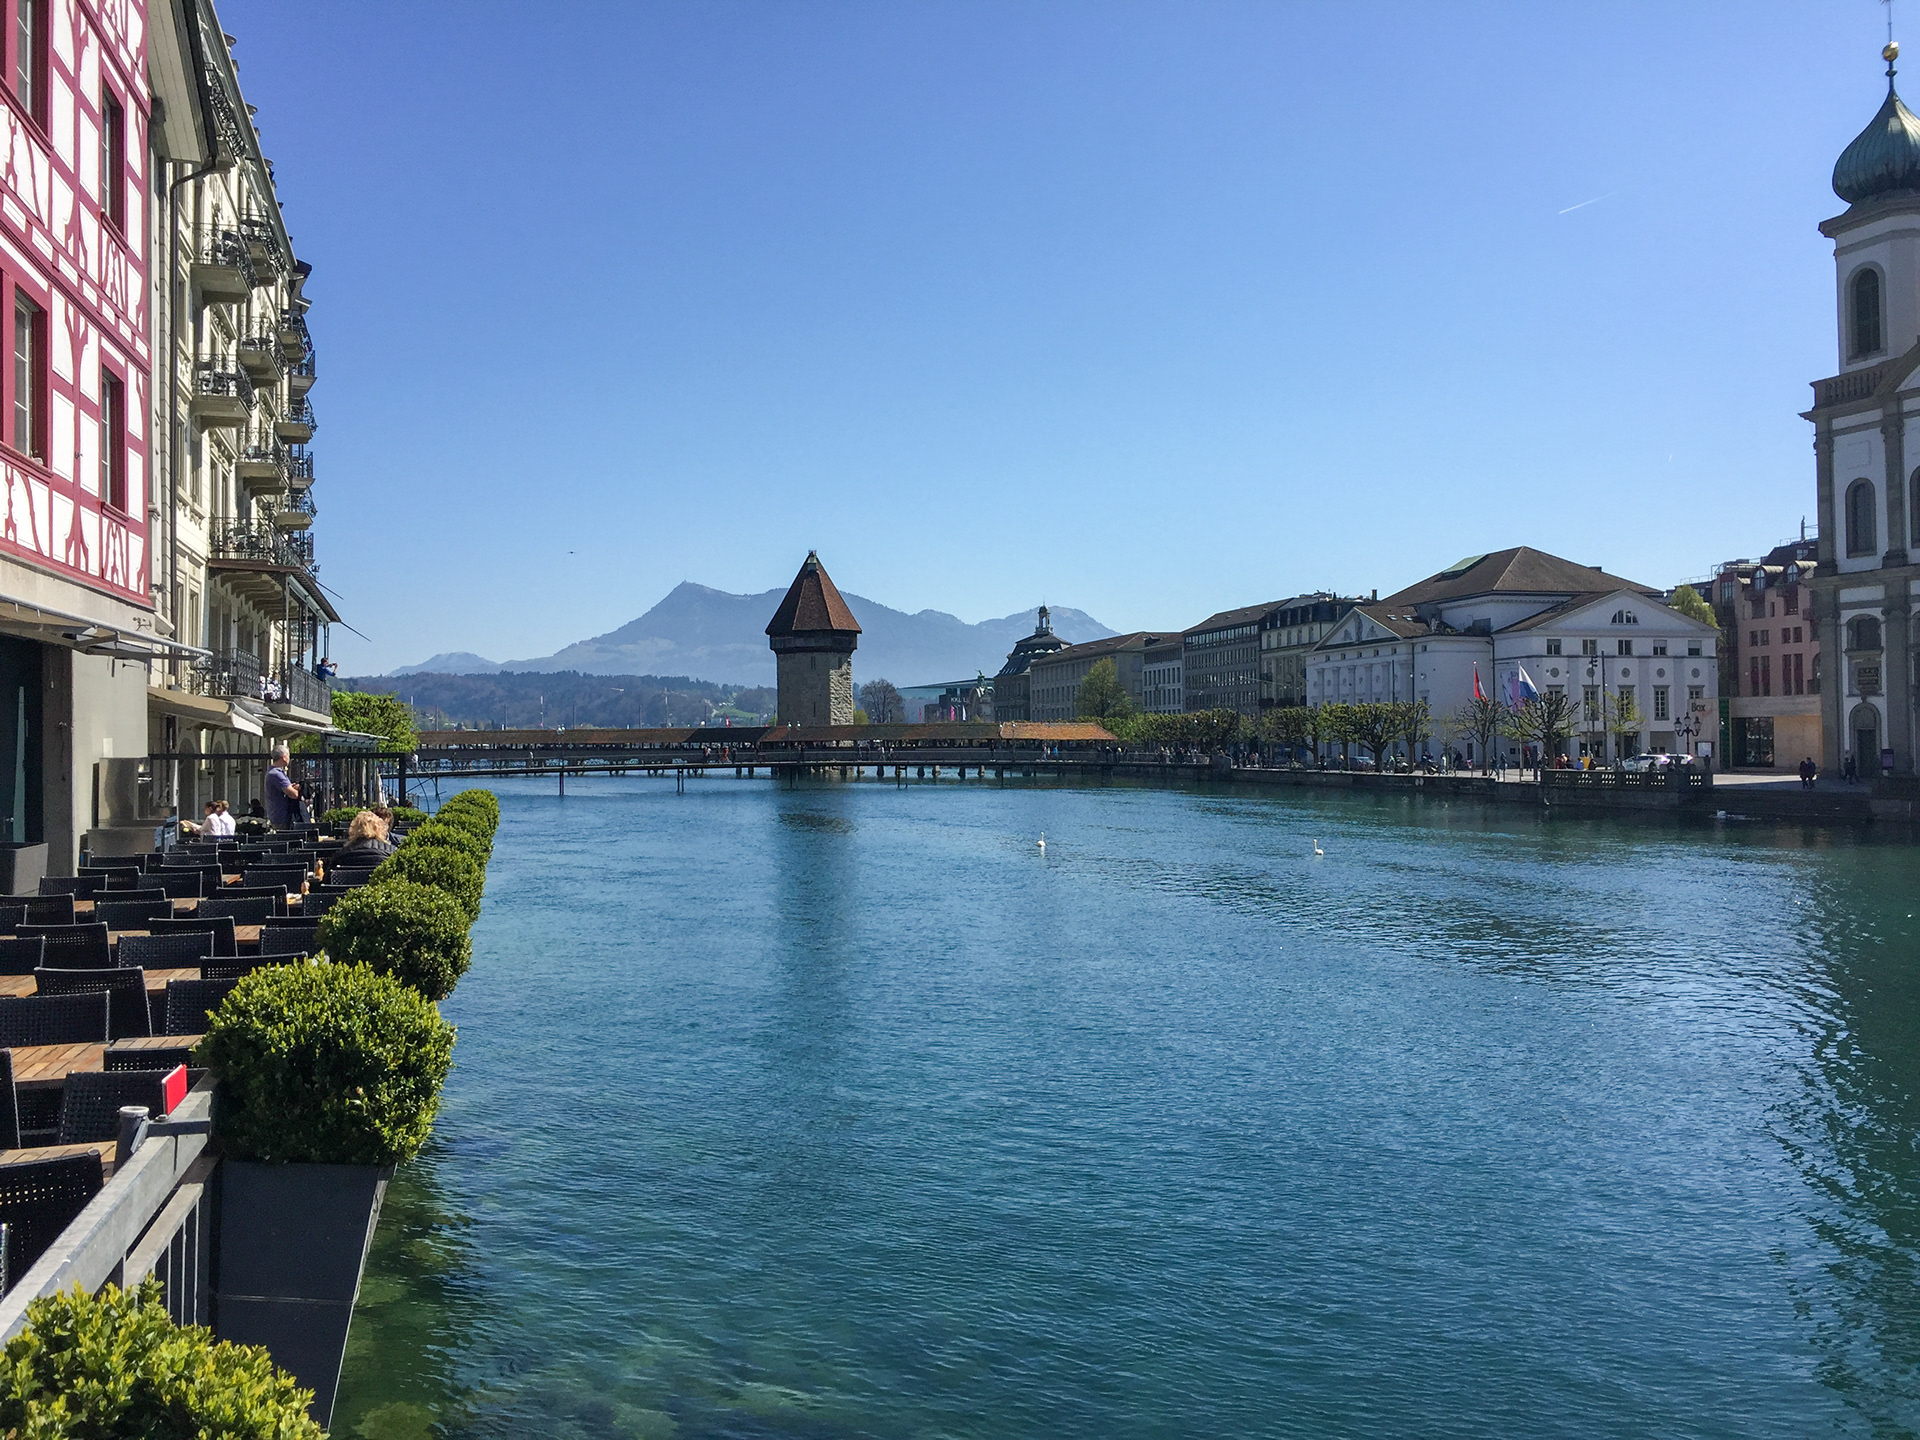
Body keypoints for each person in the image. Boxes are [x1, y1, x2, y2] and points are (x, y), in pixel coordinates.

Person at [264, 745, 302, 828]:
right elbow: (294, 794)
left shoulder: (273, 772)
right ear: (284, 757)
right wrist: (297, 789)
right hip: (281, 817)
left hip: (278, 816)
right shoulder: (277, 774)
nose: (289, 758)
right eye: (288, 756)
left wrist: (290, 787)